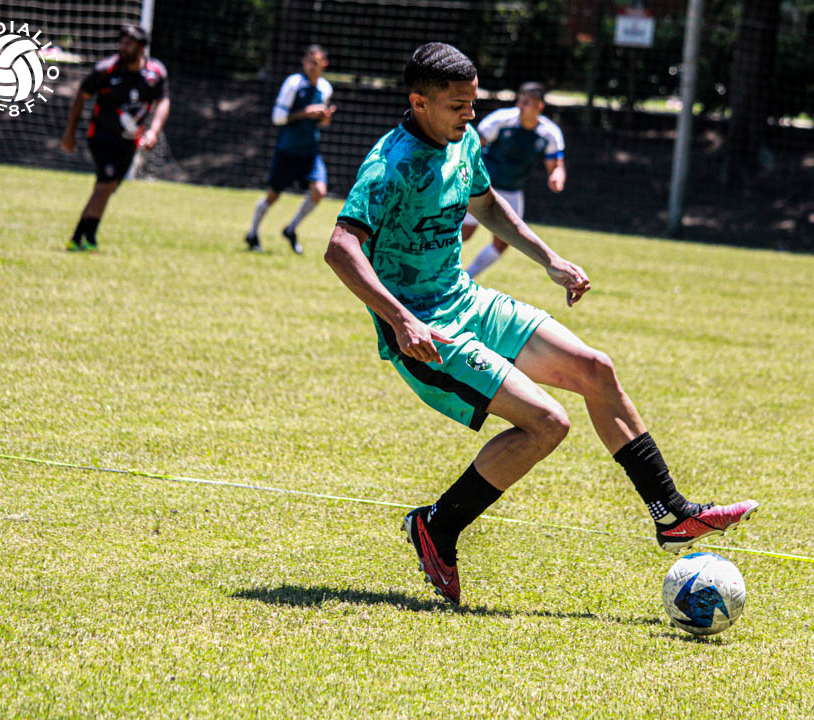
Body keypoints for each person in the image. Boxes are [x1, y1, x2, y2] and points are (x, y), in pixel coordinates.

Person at [324, 42, 758, 607]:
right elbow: (340, 247)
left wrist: (549, 259)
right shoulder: (390, 165)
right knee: (547, 423)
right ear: (419, 102)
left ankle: (672, 515)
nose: (470, 115)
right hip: (424, 330)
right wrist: (403, 321)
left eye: (473, 103)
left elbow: (487, 204)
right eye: (458, 106)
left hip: (467, 300)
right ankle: (438, 526)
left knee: (595, 369)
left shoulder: (464, 141)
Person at [60, 24, 170, 252]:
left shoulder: (155, 73)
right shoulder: (106, 70)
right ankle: (81, 238)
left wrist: (153, 131)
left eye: (129, 44)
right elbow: (81, 97)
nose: (123, 47)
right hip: (102, 137)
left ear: (141, 48)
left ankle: (85, 238)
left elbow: (163, 101)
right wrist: (70, 133)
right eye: (122, 42)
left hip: (129, 141)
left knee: (107, 188)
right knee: (106, 185)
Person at [462, 82, 565, 279]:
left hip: (512, 190)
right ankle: (436, 272)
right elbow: (472, 146)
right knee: (464, 234)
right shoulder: (501, 120)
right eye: (520, 101)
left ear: (539, 106)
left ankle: (468, 277)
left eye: (526, 103)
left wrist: (556, 176)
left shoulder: (549, 133)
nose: (520, 106)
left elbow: (556, 166)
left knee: (504, 242)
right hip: (483, 187)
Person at [245, 45, 335, 254]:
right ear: (303, 63)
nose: (311, 66)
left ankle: (291, 229)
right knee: (273, 195)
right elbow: (277, 117)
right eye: (308, 62)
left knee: (319, 191)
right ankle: (252, 233)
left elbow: (322, 123)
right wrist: (305, 113)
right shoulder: (293, 84)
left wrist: (324, 118)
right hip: (288, 150)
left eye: (316, 63)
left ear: (324, 64)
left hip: (310, 152)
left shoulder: (325, 88)